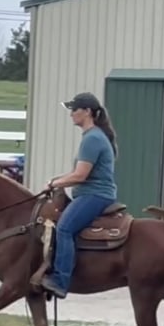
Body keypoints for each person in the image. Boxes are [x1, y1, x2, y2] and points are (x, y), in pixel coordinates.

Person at [40, 92, 119, 299]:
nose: (71, 114)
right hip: (92, 193)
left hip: (95, 195)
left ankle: (60, 280)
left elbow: (81, 175)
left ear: (87, 112)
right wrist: (58, 180)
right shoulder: (93, 136)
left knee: (65, 228)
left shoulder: (92, 138)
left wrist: (53, 182)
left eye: (74, 109)